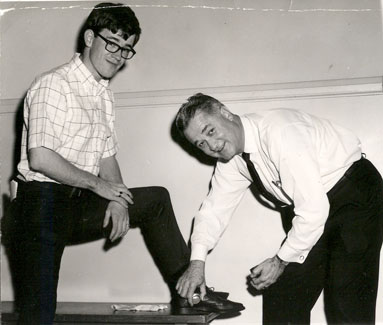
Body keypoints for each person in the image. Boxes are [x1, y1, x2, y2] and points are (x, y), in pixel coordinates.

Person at [9, 5, 243, 325]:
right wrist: (101, 188)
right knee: (39, 317)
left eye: (127, 48)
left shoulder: (103, 94)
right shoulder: (54, 84)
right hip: (40, 204)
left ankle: (190, 291)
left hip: (78, 202)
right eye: (113, 44)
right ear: (90, 37)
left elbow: (106, 157)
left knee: (155, 200)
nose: (119, 55)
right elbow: (41, 157)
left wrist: (118, 199)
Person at [175, 93, 383, 324]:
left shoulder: (280, 132)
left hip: (353, 197)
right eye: (201, 144)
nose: (212, 146)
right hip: (309, 210)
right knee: (282, 293)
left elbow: (313, 209)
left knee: (347, 300)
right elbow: (214, 210)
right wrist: (197, 262)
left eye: (210, 131)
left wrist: (280, 261)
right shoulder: (231, 159)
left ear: (224, 112)